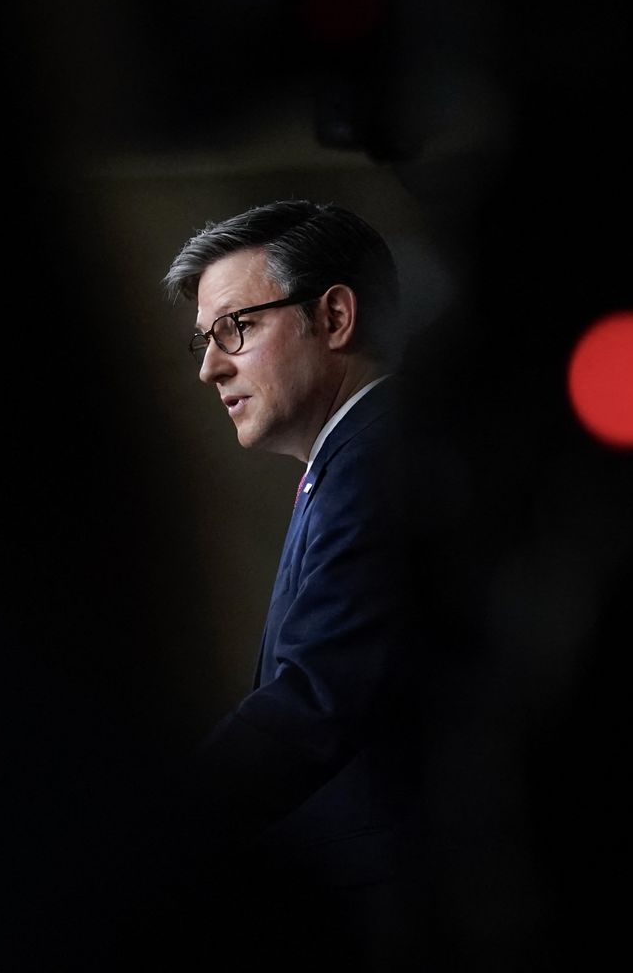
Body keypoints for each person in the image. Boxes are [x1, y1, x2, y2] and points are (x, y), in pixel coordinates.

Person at [164, 199, 417, 964]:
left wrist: (162, 824)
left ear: (334, 315)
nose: (211, 365)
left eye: (236, 328)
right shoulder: (344, 467)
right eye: (204, 341)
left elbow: (314, 697)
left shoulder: (377, 465)